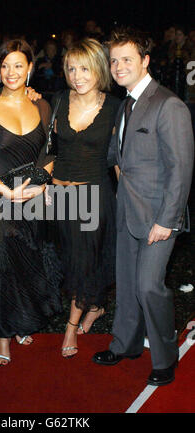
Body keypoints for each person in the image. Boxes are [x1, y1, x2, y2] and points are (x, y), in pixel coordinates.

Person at [92, 27, 194, 386]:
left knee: (150, 286)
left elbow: (180, 169)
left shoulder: (169, 104)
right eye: (114, 60)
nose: (118, 67)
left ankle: (166, 357)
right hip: (128, 212)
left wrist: (167, 220)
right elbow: (118, 158)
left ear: (145, 61)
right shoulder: (125, 105)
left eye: (127, 59)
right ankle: (125, 345)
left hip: (159, 217)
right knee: (128, 283)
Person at [0, 39, 63, 366]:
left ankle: (21, 321)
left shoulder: (42, 106)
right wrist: (7, 193)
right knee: (0, 271)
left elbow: (49, 153)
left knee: (28, 268)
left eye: (19, 65)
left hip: (32, 201)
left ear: (30, 69)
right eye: (6, 65)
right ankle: (4, 337)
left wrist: (38, 187)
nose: (11, 72)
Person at [49, 38, 120, 358]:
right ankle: (96, 305)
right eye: (71, 68)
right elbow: (49, 149)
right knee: (70, 261)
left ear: (99, 70)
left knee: (83, 262)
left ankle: (71, 328)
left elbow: (120, 160)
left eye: (85, 68)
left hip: (93, 195)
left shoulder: (117, 108)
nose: (77, 75)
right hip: (59, 196)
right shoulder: (57, 100)